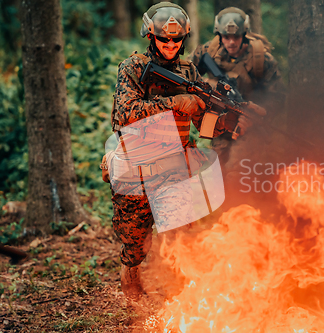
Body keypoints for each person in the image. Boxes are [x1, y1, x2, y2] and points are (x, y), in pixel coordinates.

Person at [102, 2, 254, 301]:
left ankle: (183, 295)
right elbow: (125, 114)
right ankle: (130, 277)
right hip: (137, 165)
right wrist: (173, 103)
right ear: (150, 36)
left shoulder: (188, 71)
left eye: (176, 39)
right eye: (164, 38)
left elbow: (203, 121)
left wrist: (231, 123)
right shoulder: (132, 68)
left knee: (182, 234)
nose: (170, 44)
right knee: (135, 239)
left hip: (174, 166)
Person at [188, 7, 282, 164]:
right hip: (219, 127)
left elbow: (277, 97)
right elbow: (184, 73)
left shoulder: (261, 59)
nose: (231, 42)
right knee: (221, 177)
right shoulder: (208, 51)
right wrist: (206, 87)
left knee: (239, 174)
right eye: (226, 36)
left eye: (236, 37)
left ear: (244, 35)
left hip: (249, 129)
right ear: (219, 35)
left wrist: (257, 113)